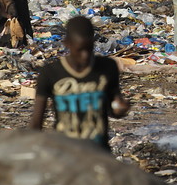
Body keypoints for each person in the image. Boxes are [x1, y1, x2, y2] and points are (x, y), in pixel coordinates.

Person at [29, 16, 130, 151]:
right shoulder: (51, 73)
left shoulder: (107, 68)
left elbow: (113, 109)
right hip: (65, 153)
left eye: (89, 49)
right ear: (67, 43)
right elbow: (36, 123)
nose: (85, 56)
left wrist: (121, 109)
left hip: (99, 152)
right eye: (80, 49)